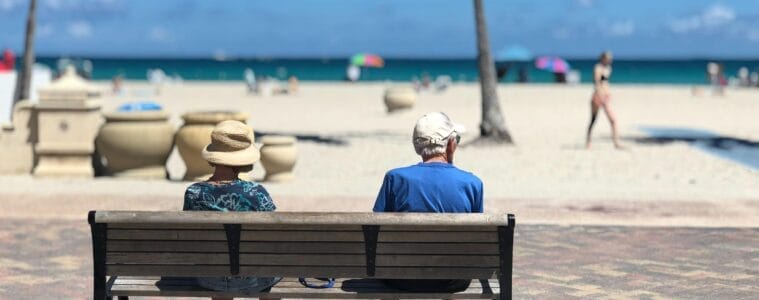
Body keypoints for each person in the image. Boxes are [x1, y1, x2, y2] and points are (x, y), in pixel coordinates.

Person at [373, 112, 483, 293]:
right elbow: (477, 239)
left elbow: (376, 232)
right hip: (454, 279)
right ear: (450, 144)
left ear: (417, 146)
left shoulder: (395, 178)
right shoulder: (472, 184)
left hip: (400, 277)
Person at [183, 120, 279, 297]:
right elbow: (275, 235)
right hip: (256, 278)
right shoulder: (256, 193)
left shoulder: (193, 193)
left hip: (209, 278)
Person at [586, 51, 623, 149]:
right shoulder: (598, 68)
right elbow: (597, 83)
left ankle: (616, 143)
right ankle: (588, 141)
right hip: (598, 97)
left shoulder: (608, 68)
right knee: (593, 120)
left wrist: (608, 93)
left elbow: (605, 83)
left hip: (605, 97)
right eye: (608, 58)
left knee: (613, 120)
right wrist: (601, 95)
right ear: (603, 58)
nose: (610, 60)